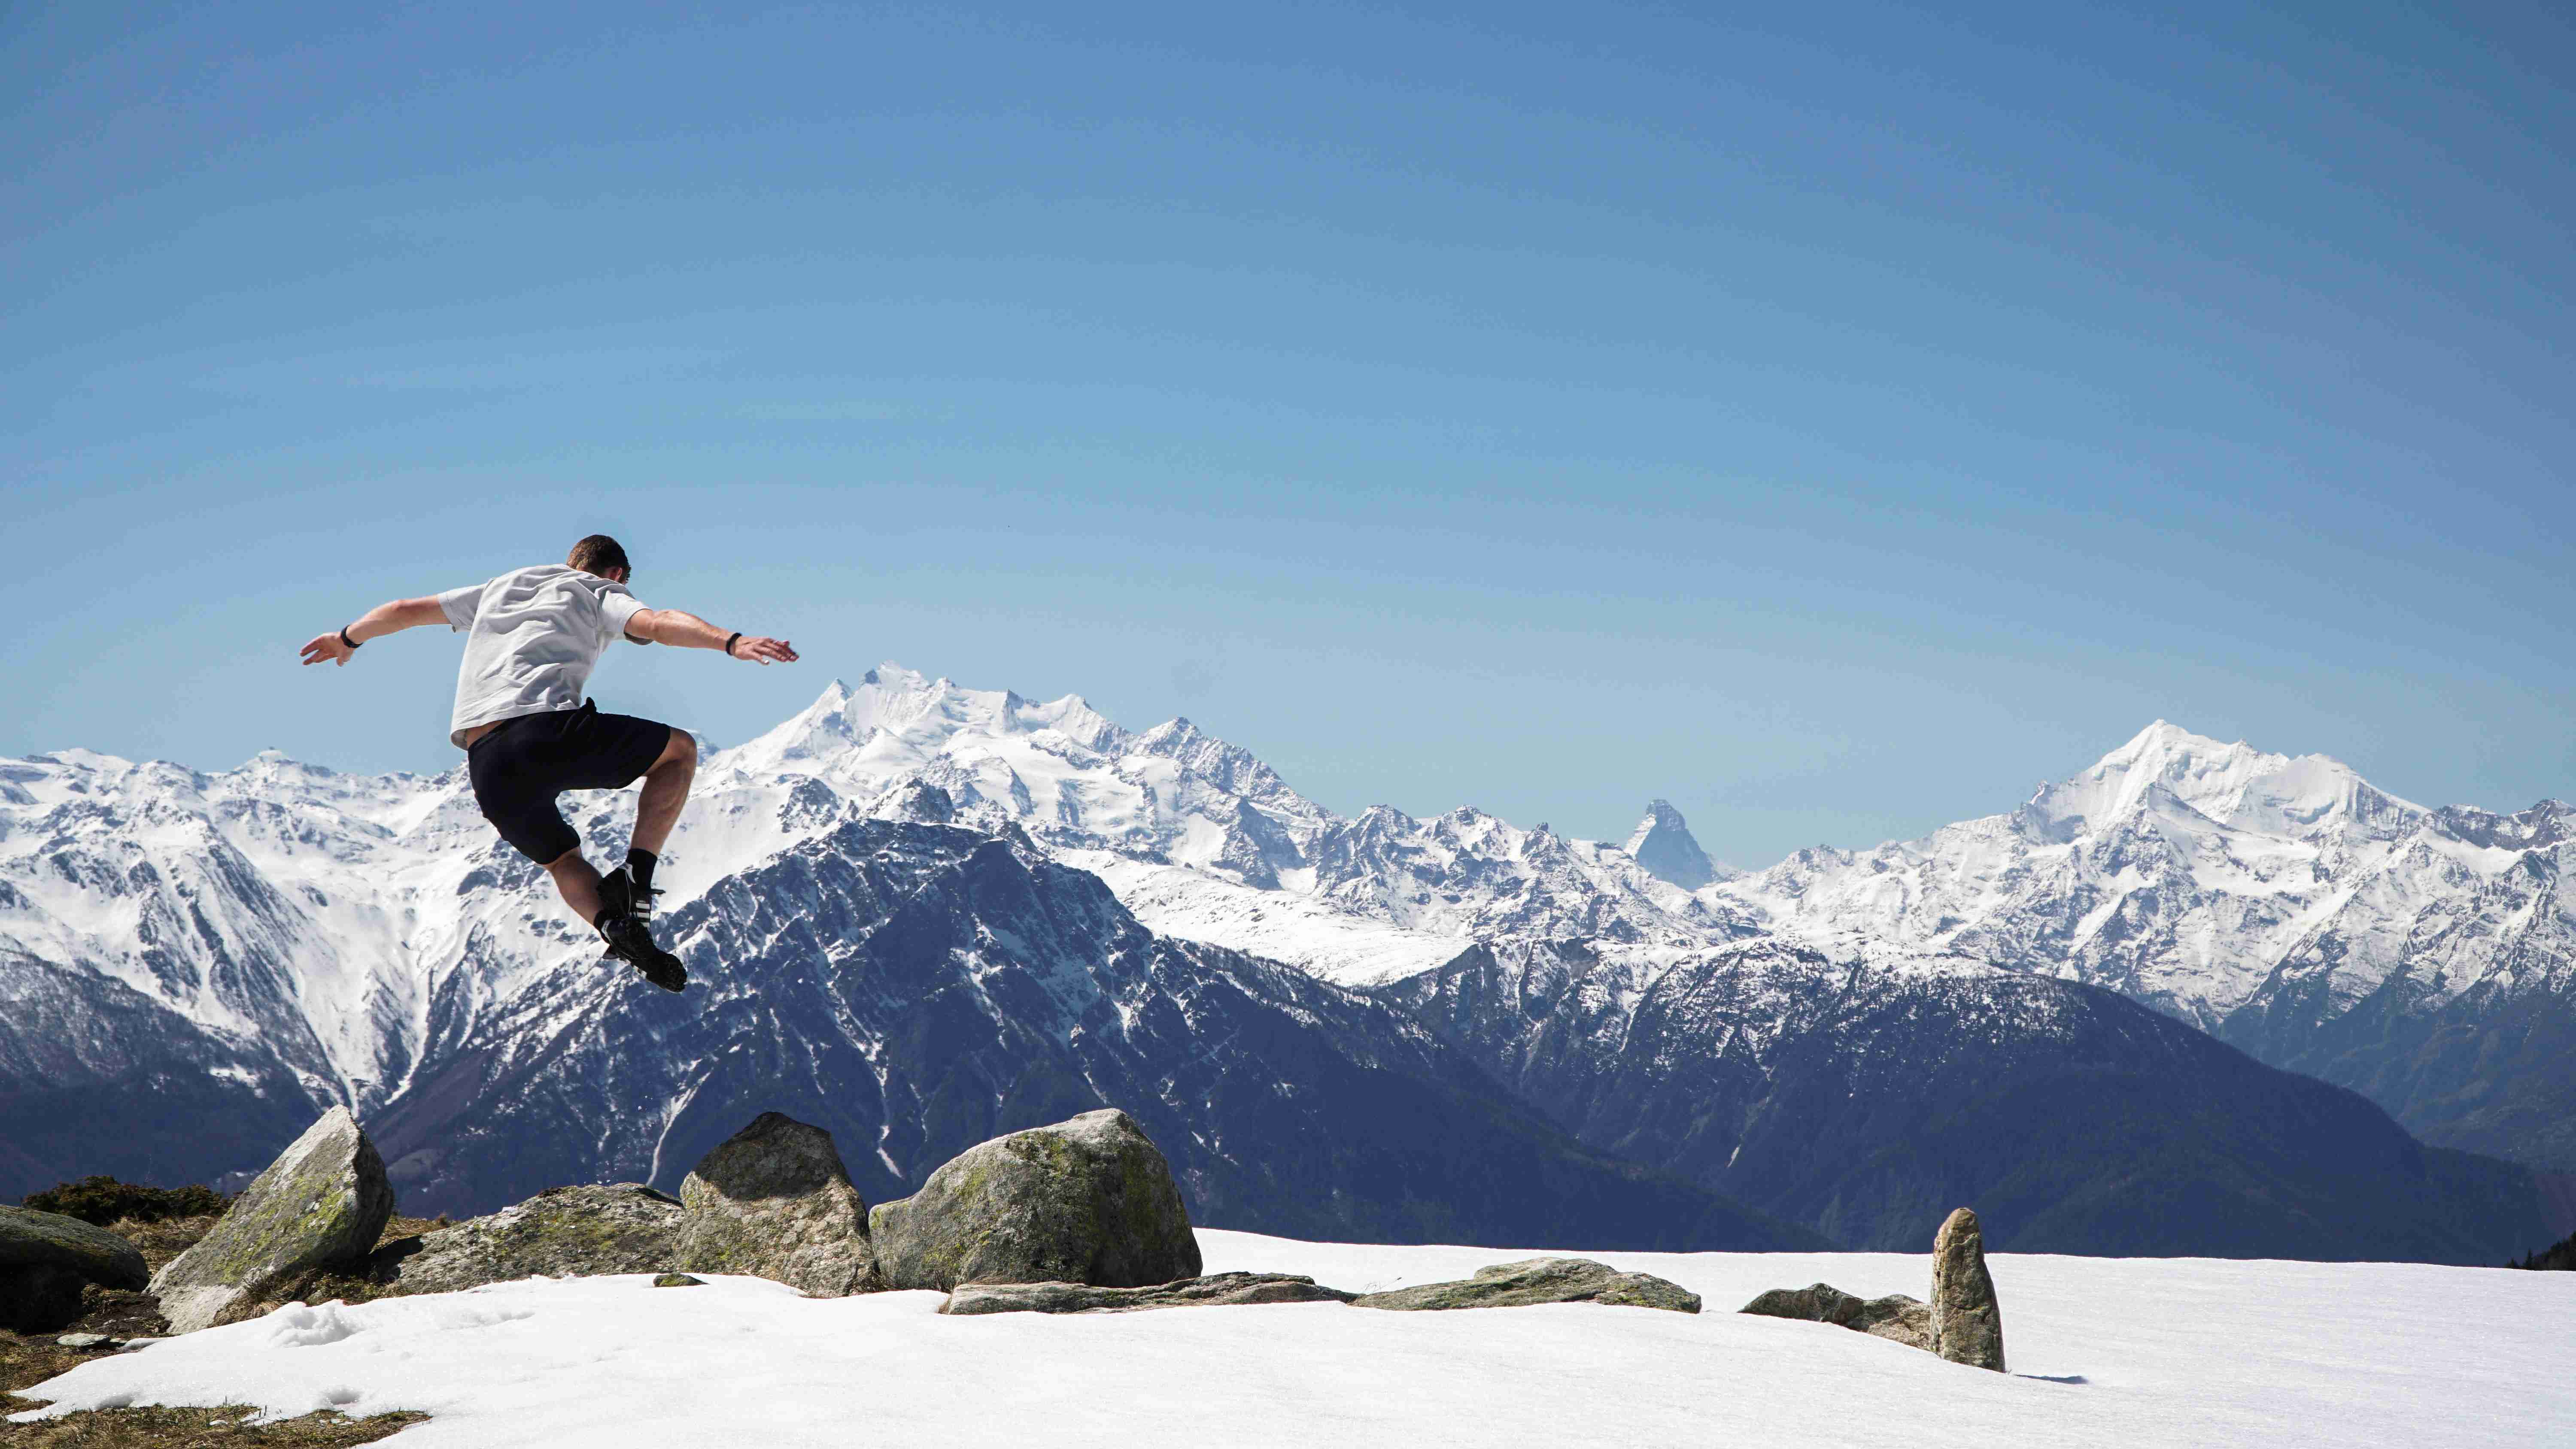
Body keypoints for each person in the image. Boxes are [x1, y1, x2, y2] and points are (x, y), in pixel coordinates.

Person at [298, 534, 798, 991]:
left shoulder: (501, 588)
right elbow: (658, 623)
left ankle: (613, 925)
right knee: (680, 751)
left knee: (561, 860)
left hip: (485, 763)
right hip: (546, 732)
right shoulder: (598, 589)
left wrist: (347, 638)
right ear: (617, 574)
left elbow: (404, 610)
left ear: (572, 559)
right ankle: (637, 879)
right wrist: (731, 642)